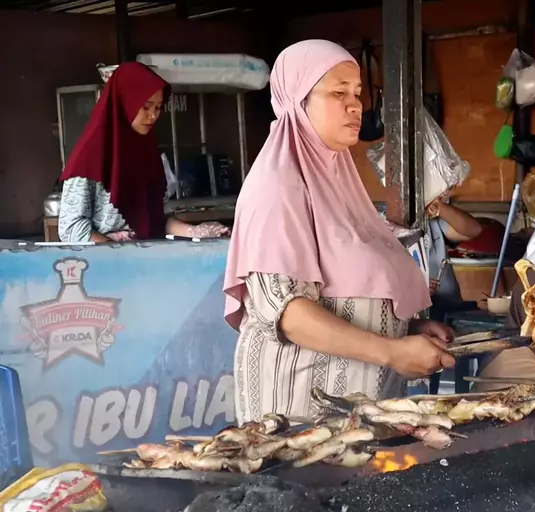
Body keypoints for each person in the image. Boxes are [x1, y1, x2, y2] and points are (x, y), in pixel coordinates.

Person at [223, 40, 456, 424]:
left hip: (354, 410)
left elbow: (347, 290)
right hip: (299, 410)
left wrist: (406, 326)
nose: (355, 105)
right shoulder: (278, 185)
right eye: (337, 92)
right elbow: (288, 313)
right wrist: (392, 352)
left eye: (358, 93)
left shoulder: (338, 180)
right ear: (299, 100)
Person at [58, 62, 229, 243]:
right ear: (124, 102)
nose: (153, 115)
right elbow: (71, 228)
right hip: (105, 264)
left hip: (145, 260)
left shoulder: (146, 154)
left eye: (157, 107)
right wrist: (121, 254)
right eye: (146, 106)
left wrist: (197, 232)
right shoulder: (88, 157)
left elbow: (155, 221)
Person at [425, 191, 483, 309]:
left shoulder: (431, 221)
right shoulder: (385, 225)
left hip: (449, 305)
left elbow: (474, 230)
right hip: (414, 314)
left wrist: (438, 206)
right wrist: (410, 289)